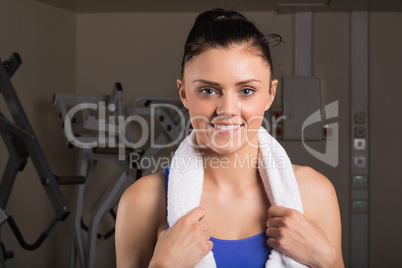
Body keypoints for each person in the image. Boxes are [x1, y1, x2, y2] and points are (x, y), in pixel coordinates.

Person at [115, 8, 344, 268]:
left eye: (246, 90)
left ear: (270, 94)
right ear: (183, 93)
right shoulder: (143, 201)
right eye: (208, 90)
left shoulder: (314, 193)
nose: (226, 110)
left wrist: (330, 261)